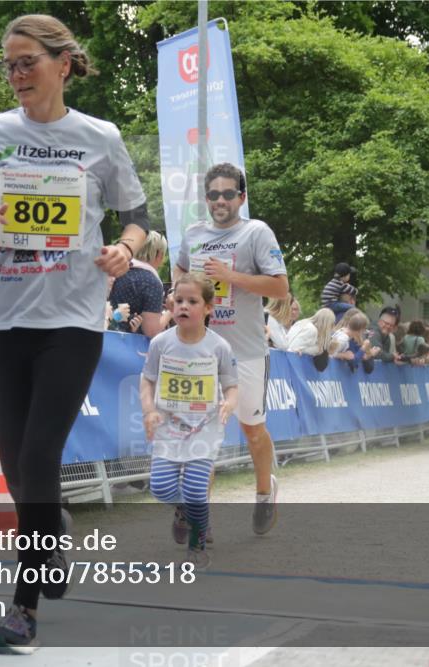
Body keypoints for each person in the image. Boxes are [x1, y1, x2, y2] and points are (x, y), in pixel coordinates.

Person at [0, 14, 149, 654]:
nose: (16, 75)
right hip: (2, 319)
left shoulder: (100, 136)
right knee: (15, 466)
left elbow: (136, 216)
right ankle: (47, 524)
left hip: (73, 318)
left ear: (63, 64)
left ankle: (22, 611)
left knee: (37, 455)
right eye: (8, 64)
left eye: (27, 61)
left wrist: (123, 249)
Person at [174, 162, 288, 536]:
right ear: (205, 198)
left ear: (241, 197)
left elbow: (279, 289)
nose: (220, 201)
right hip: (201, 351)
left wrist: (230, 277)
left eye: (227, 194)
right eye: (213, 194)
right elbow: (179, 274)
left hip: (247, 351)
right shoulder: (192, 234)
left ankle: (263, 492)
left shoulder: (256, 232)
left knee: (252, 428)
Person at [140, 274, 238, 570]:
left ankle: (196, 542)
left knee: (196, 489)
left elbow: (232, 386)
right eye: (178, 300)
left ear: (208, 308)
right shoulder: (161, 343)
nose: (183, 306)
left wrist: (229, 403)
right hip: (169, 426)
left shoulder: (219, 347)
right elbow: (147, 381)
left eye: (192, 301)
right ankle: (188, 511)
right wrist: (148, 410)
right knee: (160, 487)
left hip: (204, 426)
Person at [109, 230, 169, 337]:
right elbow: (151, 332)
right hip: (132, 346)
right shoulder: (151, 283)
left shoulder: (116, 270)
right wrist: (171, 312)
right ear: (159, 254)